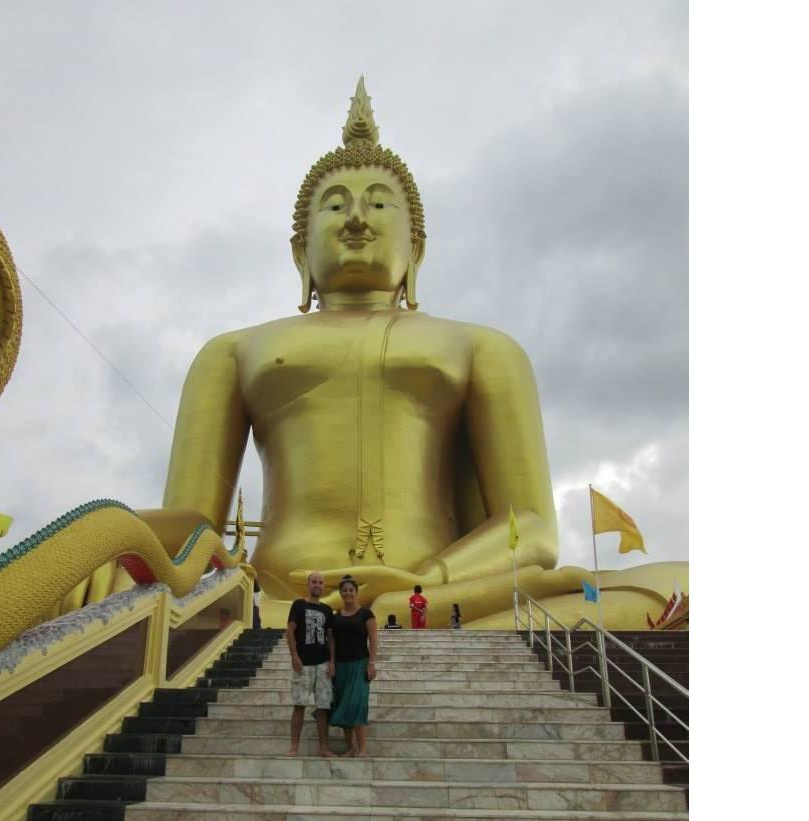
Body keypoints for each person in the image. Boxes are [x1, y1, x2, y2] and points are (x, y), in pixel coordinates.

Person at [136, 78, 688, 632]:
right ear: (299, 250)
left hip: (449, 596)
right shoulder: (233, 351)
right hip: (277, 604)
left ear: (415, 247)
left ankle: (403, 611)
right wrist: (113, 543)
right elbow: (190, 532)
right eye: (334, 206)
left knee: (685, 582)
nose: (356, 218)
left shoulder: (481, 347)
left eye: (378, 202)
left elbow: (534, 530)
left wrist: (428, 580)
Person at [286, 571, 335, 758]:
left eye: (321, 582)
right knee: (299, 705)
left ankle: (323, 747)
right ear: (308, 584)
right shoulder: (298, 605)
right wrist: (294, 656)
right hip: (303, 663)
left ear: (323, 586)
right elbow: (290, 630)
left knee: (323, 707)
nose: (317, 585)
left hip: (322, 664)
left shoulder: (327, 610)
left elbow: (330, 637)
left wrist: (332, 661)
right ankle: (294, 747)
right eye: (314, 582)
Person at [329, 575, 377, 758]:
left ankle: (362, 748)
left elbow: (373, 639)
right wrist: (332, 662)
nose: (348, 593)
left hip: (360, 664)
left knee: (357, 704)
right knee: (343, 705)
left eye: (351, 590)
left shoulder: (366, 614)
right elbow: (332, 641)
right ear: (340, 593)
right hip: (341, 665)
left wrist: (371, 663)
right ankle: (351, 747)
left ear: (356, 592)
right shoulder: (336, 617)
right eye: (344, 590)